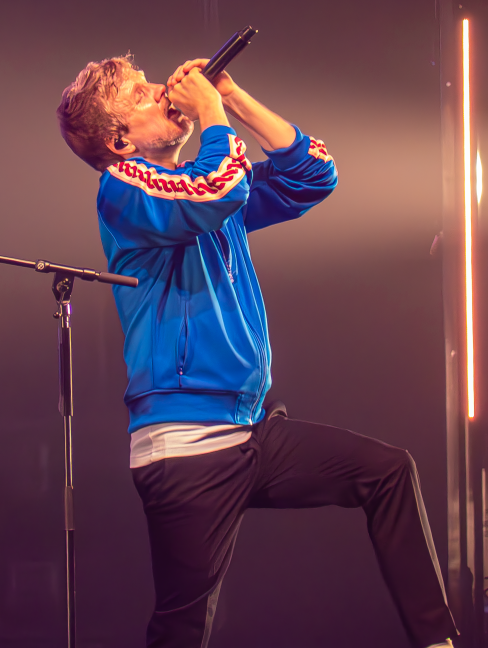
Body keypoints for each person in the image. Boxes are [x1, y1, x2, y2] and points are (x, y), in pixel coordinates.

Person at [57, 53, 458, 648]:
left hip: (249, 432)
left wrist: (233, 98)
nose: (161, 91)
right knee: (181, 630)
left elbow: (313, 176)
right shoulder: (123, 191)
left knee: (389, 471)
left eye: (150, 82)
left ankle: (437, 641)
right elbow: (215, 191)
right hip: (186, 446)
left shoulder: (201, 183)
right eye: (141, 95)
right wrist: (210, 113)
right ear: (119, 141)